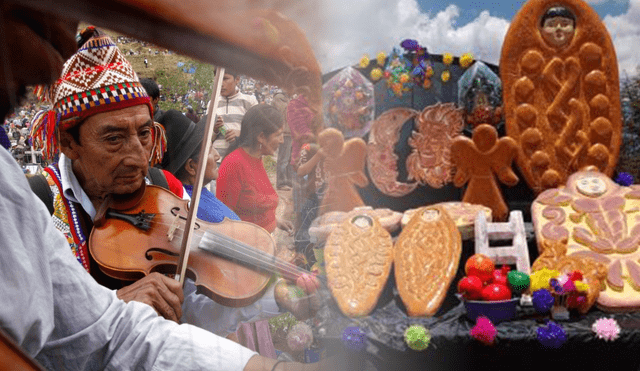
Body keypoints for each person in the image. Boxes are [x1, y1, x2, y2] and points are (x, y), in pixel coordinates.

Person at [0, 5, 326, 370]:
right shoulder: (33, 201)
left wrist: (276, 298)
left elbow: (192, 307)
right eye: (114, 139)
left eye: (143, 134)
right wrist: (117, 305)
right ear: (68, 142)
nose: (138, 157)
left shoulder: (162, 191)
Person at [217, 104, 294, 235]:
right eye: (279, 135)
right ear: (261, 137)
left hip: (262, 242)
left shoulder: (257, 158)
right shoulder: (233, 165)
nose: (282, 141)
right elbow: (225, 221)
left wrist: (275, 221)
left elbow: (251, 206)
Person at [210, 70, 258, 158]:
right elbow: (207, 140)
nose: (221, 84)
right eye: (217, 79)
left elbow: (260, 133)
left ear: (237, 79)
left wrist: (242, 134)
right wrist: (215, 129)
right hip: (217, 161)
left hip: (241, 160)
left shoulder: (250, 101)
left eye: (225, 79)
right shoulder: (212, 104)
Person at [273, 92, 293, 191]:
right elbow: (281, 114)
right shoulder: (279, 98)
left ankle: (289, 181)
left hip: (292, 133)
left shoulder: (290, 97)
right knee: (283, 159)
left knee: (290, 159)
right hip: (284, 132)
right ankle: (281, 183)